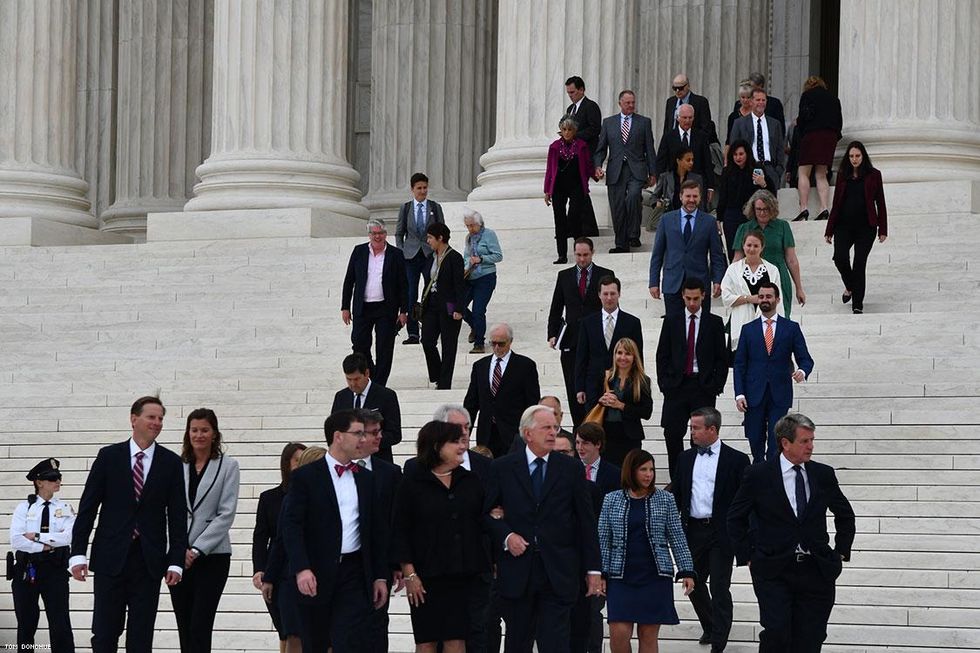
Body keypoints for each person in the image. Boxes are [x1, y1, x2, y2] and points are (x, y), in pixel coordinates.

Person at [728, 413, 855, 651]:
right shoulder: (759, 475)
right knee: (776, 633)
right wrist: (747, 555)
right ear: (785, 443)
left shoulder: (823, 474)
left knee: (812, 637)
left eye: (812, 440)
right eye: (804, 441)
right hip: (774, 569)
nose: (811, 446)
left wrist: (840, 552)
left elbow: (845, 514)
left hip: (816, 569)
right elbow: (735, 517)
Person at [69, 396, 187, 653]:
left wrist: (176, 558)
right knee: (104, 633)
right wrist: (77, 552)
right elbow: (88, 507)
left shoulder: (171, 463)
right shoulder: (109, 456)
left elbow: (178, 516)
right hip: (110, 558)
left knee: (141, 636)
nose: (157, 423)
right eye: (151, 417)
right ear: (134, 419)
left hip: (149, 561)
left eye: (160, 419)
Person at [484, 405, 603, 652]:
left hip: (558, 571)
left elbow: (586, 521)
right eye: (546, 428)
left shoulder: (570, 468)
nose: (553, 433)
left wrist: (593, 569)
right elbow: (485, 515)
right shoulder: (502, 468)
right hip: (518, 571)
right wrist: (506, 536)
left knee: (555, 642)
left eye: (555, 427)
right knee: (518, 641)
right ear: (528, 434)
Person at [280, 409, 389, 653]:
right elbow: (291, 525)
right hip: (316, 571)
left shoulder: (367, 479)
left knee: (349, 640)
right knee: (315, 643)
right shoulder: (306, 477)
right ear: (338, 436)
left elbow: (376, 531)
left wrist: (380, 575)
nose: (364, 439)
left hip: (354, 572)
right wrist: (301, 568)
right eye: (358, 433)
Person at [394, 421, 491, 653]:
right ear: (437, 446)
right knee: (426, 641)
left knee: (457, 640)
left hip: (463, 575)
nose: (462, 446)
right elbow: (400, 530)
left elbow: (482, 521)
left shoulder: (470, 481)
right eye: (454, 442)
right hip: (426, 578)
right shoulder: (412, 483)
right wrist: (410, 574)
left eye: (462, 441)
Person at [598, 449, 695, 653]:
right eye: (643, 469)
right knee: (618, 634)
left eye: (651, 469)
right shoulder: (611, 499)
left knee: (648, 635)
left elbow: (677, 537)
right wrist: (601, 573)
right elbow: (603, 539)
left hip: (654, 576)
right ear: (630, 471)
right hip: (620, 576)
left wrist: (686, 570)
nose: (649, 474)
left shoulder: (665, 499)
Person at [672, 407, 750, 653]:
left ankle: (719, 641)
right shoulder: (684, 458)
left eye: (695, 428)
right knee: (692, 583)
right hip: (693, 530)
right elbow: (677, 494)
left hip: (721, 531)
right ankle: (710, 623)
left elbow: (745, 500)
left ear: (712, 429)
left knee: (719, 586)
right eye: (691, 428)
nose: (691, 432)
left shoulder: (737, 460)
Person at [168, 408, 240, 653]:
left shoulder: (228, 466)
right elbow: (168, 512)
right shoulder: (176, 466)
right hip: (178, 557)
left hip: (212, 556)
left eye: (205, 430)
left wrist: (197, 549)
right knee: (184, 624)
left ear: (214, 434)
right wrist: (179, 549)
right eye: (194, 430)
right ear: (188, 433)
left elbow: (226, 513)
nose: (199, 435)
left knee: (200, 624)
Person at [655, 277, 729, 481]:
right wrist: (665, 383)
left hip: (702, 386)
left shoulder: (714, 322)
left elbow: (721, 358)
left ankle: (699, 477)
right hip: (676, 386)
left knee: (701, 437)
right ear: (682, 296)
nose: (692, 303)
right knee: (672, 433)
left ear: (704, 296)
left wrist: (715, 385)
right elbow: (662, 354)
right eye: (688, 298)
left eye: (696, 298)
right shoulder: (672, 320)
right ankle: (677, 479)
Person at [734, 282, 815, 463]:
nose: (764, 300)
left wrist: (802, 370)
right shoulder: (748, 329)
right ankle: (758, 466)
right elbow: (739, 364)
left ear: (777, 299)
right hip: (754, 393)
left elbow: (806, 359)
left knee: (775, 438)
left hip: (780, 392)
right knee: (754, 436)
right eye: (761, 297)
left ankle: (771, 470)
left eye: (769, 296)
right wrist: (739, 394)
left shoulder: (791, 328)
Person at [9, 458, 76, 653]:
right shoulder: (24, 508)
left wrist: (37, 537)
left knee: (60, 622)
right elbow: (17, 540)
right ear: (39, 482)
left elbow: (68, 537)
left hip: (55, 570)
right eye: (52, 478)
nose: (58, 482)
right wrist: (46, 547)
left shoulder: (64, 508)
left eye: (59, 477)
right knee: (26, 623)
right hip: (27, 569)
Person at [262, 446, 325, 653]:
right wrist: (269, 578)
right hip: (291, 578)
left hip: (325, 578)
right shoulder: (293, 497)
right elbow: (281, 540)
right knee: (295, 636)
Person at [547, 237, 615, 426]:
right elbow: (556, 307)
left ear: (592, 253)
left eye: (585, 255)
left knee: (596, 388)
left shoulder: (605, 274)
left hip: (597, 342)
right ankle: (579, 430)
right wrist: (552, 333)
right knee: (573, 389)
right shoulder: (564, 276)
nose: (582, 259)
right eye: (578, 255)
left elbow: (611, 305)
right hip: (572, 342)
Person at [353, 409, 404, 653]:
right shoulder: (335, 469)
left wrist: (397, 564)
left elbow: (396, 521)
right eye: (374, 433)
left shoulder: (390, 473)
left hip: (378, 566)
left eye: (380, 432)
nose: (379, 437)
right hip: (343, 564)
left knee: (376, 628)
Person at [252, 442, 307, 653]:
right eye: (296, 461)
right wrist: (260, 569)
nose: (301, 466)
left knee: (294, 629)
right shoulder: (269, 498)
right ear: (286, 464)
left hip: (298, 570)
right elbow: (261, 537)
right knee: (285, 628)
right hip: (276, 570)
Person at [341, 218, 409, 385]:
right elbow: (349, 280)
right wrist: (345, 307)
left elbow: (403, 284)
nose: (378, 236)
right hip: (363, 307)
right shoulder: (359, 252)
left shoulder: (396, 254)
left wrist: (403, 311)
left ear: (386, 234)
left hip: (386, 308)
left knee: (384, 348)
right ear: (369, 235)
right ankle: (370, 375)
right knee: (359, 344)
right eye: (374, 233)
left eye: (381, 233)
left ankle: (379, 384)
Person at [824, 141, 888, 315]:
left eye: (857, 156)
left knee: (859, 263)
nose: (854, 159)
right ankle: (851, 286)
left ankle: (857, 304)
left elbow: (880, 202)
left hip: (866, 227)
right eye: (851, 156)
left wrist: (883, 229)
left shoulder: (874, 175)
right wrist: (829, 229)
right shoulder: (843, 174)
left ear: (863, 156)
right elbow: (836, 202)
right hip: (843, 226)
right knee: (839, 258)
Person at [572, 423, 620, 653]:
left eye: (586, 443)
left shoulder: (614, 474)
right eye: (578, 442)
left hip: (602, 550)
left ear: (598, 445)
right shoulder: (568, 469)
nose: (580, 448)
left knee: (594, 608)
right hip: (573, 550)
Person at [648, 180, 726, 319]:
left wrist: (718, 280)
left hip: (700, 284)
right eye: (688, 196)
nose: (691, 200)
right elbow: (657, 254)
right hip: (673, 283)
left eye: (695, 196)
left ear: (700, 197)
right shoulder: (666, 220)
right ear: (680, 196)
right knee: (674, 328)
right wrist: (654, 282)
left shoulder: (708, 222)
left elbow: (717, 255)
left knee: (701, 328)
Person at [464, 322, 541, 459]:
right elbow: (471, 403)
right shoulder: (480, 366)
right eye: (493, 343)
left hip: (513, 434)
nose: (497, 347)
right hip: (486, 433)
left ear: (510, 342)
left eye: (501, 343)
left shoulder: (525, 366)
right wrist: (465, 433)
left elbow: (532, 403)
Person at [593, 90, 657, 253]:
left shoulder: (644, 122)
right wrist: (598, 166)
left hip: (637, 170)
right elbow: (601, 149)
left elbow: (650, 149)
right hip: (616, 170)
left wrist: (653, 172)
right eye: (628, 103)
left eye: (633, 103)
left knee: (634, 197)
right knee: (617, 206)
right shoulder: (608, 123)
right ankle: (621, 243)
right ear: (620, 103)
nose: (631, 106)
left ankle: (633, 233)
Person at [732, 189, 806, 317]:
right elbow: (737, 259)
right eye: (758, 209)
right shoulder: (744, 228)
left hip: (778, 276)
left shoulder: (783, 226)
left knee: (781, 318)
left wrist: (799, 288)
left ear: (772, 208)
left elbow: (791, 259)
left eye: (765, 209)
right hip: (751, 278)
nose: (762, 213)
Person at [575, 275, 644, 411]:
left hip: (623, 383)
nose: (609, 298)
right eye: (605, 294)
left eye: (613, 293)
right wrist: (580, 388)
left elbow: (638, 356)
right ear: (599, 295)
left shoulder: (632, 323)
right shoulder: (587, 323)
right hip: (594, 385)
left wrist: (638, 385)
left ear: (619, 294)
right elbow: (581, 357)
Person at [396, 172, 446, 345]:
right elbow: (399, 233)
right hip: (410, 256)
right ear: (412, 189)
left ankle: (429, 329)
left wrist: (439, 252)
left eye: (425, 187)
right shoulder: (406, 208)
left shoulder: (435, 207)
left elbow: (443, 232)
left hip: (428, 255)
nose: (423, 191)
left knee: (429, 293)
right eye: (419, 188)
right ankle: (412, 332)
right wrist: (401, 252)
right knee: (410, 293)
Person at [330, 352, 403, 462]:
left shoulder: (386, 396)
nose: (353, 384)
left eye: (357, 379)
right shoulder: (341, 397)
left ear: (367, 373)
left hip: (378, 462)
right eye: (349, 379)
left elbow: (394, 434)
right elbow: (333, 430)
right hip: (347, 464)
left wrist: (368, 441)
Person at [721, 229, 784, 354]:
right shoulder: (733, 269)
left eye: (756, 246)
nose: (752, 249)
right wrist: (750, 298)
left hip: (766, 323)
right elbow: (726, 297)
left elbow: (778, 299)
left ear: (762, 247)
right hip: (741, 322)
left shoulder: (772, 270)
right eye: (749, 245)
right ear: (743, 246)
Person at [594, 337, 653, 467]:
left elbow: (646, 412)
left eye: (627, 353)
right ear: (614, 355)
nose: (623, 357)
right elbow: (591, 402)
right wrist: (601, 400)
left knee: (629, 473)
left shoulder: (642, 381)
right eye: (619, 353)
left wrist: (621, 406)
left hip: (630, 436)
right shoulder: (605, 377)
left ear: (634, 357)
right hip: (607, 434)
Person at [545, 117, 597, 263]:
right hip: (558, 187)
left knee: (574, 217)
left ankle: (580, 250)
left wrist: (596, 174)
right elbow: (550, 169)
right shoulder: (554, 147)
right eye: (564, 130)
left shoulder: (581, 146)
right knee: (559, 220)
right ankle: (562, 255)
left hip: (577, 186)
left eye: (570, 130)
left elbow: (587, 165)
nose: (567, 133)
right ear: (561, 131)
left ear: (575, 131)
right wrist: (547, 190)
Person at [420, 222, 466, 389]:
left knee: (448, 346)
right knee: (427, 341)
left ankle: (444, 383)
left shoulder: (455, 257)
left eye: (431, 237)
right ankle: (437, 374)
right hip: (431, 305)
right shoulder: (429, 257)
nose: (428, 241)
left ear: (440, 238)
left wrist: (459, 309)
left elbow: (459, 286)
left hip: (449, 307)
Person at [716, 139, 775, 262]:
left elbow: (771, 193)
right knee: (733, 249)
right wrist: (719, 218)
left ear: (747, 154)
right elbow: (723, 197)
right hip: (731, 216)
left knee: (752, 247)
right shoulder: (727, 171)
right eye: (735, 154)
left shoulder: (757, 169)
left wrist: (763, 183)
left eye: (741, 154)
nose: (738, 157)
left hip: (752, 215)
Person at [794, 76, 843, 222]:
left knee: (803, 172)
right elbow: (839, 122)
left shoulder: (807, 95)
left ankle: (803, 208)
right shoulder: (834, 99)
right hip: (830, 136)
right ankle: (824, 208)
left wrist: (802, 133)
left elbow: (803, 117)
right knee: (821, 173)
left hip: (812, 134)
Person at [461, 209, 503, 352]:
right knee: (456, 305)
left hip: (486, 277)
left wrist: (481, 259)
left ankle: (479, 342)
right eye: (467, 226)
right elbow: (466, 256)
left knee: (478, 310)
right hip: (470, 277)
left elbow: (498, 256)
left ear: (479, 224)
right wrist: (467, 265)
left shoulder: (489, 235)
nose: (470, 229)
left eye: (472, 225)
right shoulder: (468, 238)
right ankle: (475, 325)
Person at [655, 104, 715, 201]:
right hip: (674, 184)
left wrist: (710, 187)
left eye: (690, 118)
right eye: (684, 117)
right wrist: (660, 184)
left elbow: (707, 162)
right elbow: (661, 161)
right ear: (677, 118)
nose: (687, 121)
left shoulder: (701, 137)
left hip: (696, 183)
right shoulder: (669, 136)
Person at [728, 88, 786, 187]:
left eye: (763, 100)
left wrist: (778, 171)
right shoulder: (739, 123)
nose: (761, 103)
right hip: (748, 169)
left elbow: (780, 149)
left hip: (770, 170)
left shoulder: (775, 124)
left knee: (769, 201)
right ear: (751, 102)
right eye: (758, 100)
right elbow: (733, 147)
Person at [648, 146, 707, 219]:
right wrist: (657, 203)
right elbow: (654, 197)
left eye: (692, 160)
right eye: (688, 160)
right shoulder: (665, 177)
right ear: (678, 161)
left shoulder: (697, 178)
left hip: (690, 217)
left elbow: (701, 202)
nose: (691, 163)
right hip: (670, 216)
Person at [662, 73, 717, 143]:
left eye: (680, 88)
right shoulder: (670, 102)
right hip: (673, 143)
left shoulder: (700, 102)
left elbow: (705, 127)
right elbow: (667, 126)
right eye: (675, 88)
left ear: (688, 86)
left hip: (692, 142)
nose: (677, 91)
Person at [565, 76, 603, 154]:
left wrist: (574, 135)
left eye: (572, 92)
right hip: (573, 153)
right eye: (568, 93)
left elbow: (595, 129)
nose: (570, 95)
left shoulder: (591, 106)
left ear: (581, 90)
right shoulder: (570, 108)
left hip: (587, 152)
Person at [724, 81, 755, 149]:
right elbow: (729, 139)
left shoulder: (755, 115)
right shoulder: (733, 116)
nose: (745, 100)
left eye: (748, 97)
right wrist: (726, 158)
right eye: (743, 97)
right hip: (737, 151)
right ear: (739, 98)